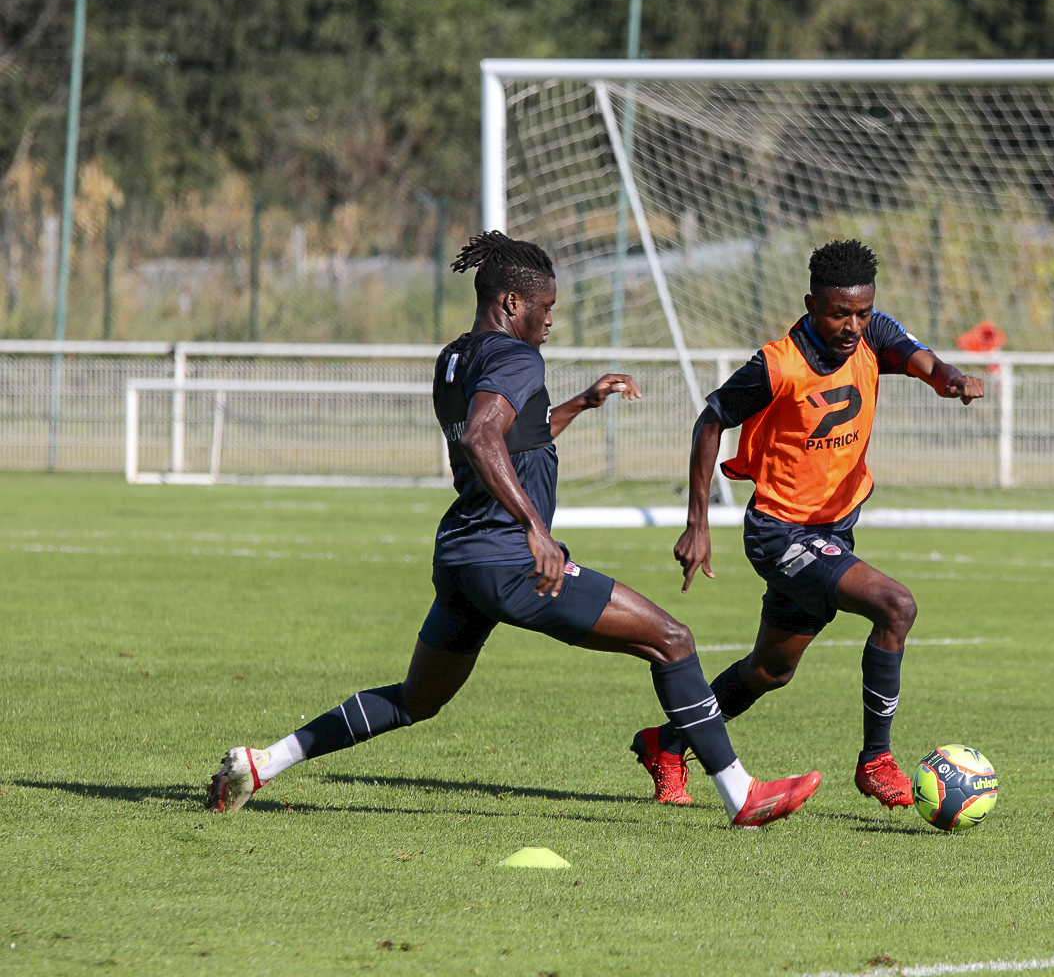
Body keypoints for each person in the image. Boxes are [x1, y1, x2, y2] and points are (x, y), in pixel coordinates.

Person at [205, 231, 820, 828]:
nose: (550, 319)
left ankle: (264, 762)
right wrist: (535, 528)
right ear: (510, 301)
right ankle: (740, 795)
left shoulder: (454, 358)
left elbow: (510, 437)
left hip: (463, 558)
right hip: (508, 557)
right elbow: (482, 437)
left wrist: (580, 403)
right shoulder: (516, 356)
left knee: (418, 699)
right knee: (673, 641)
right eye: (544, 306)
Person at [630, 238, 983, 809]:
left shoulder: (874, 335)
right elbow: (711, 420)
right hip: (781, 534)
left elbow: (928, 364)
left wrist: (953, 379)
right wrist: (698, 523)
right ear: (811, 304)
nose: (852, 326)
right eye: (839, 314)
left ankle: (665, 743)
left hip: (833, 529)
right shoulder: (777, 364)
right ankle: (876, 761)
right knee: (896, 605)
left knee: (770, 671)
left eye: (862, 312)